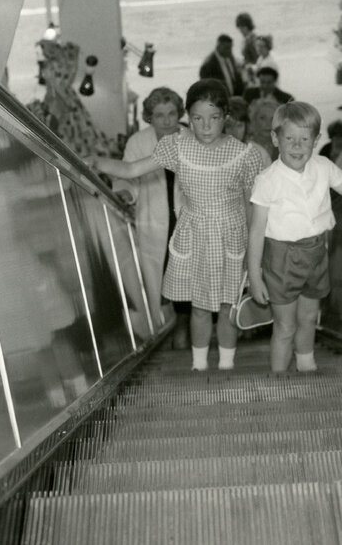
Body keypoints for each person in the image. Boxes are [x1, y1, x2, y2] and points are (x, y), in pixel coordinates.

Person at [92, 79, 267, 371]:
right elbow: (133, 169)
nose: (206, 126)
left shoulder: (245, 154)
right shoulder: (177, 146)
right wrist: (96, 162)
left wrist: (255, 257)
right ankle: (199, 367)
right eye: (197, 118)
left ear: (225, 116)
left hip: (231, 237)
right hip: (194, 235)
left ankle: (226, 365)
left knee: (227, 307)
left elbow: (254, 208)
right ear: (190, 117)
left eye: (213, 118)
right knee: (198, 307)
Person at [247, 102, 342, 372]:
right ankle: (278, 380)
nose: (296, 146)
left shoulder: (324, 166)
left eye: (304, 139)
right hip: (282, 257)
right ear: (275, 139)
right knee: (285, 325)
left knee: (308, 317)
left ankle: (306, 365)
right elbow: (256, 230)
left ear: (316, 141)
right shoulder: (267, 180)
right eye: (289, 138)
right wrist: (255, 275)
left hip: (317, 251)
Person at [110, 88, 190, 348]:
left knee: (188, 286)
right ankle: (166, 335)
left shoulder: (192, 138)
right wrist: (124, 194)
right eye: (159, 115)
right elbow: (127, 176)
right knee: (161, 286)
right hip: (154, 224)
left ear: (179, 113)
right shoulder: (138, 142)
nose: (167, 120)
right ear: (149, 117)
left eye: (171, 114)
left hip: (187, 223)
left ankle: (184, 337)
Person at [30, 25, 116, 158]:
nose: (42, 50)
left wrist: (56, 100)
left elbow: (54, 88)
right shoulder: (62, 63)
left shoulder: (53, 66)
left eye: (43, 47)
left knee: (68, 131)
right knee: (77, 129)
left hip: (61, 100)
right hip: (65, 99)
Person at [235, 12, 260, 87]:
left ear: (245, 27)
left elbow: (256, 59)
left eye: (240, 27)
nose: (240, 30)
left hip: (252, 74)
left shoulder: (251, 40)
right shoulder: (248, 38)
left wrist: (244, 64)